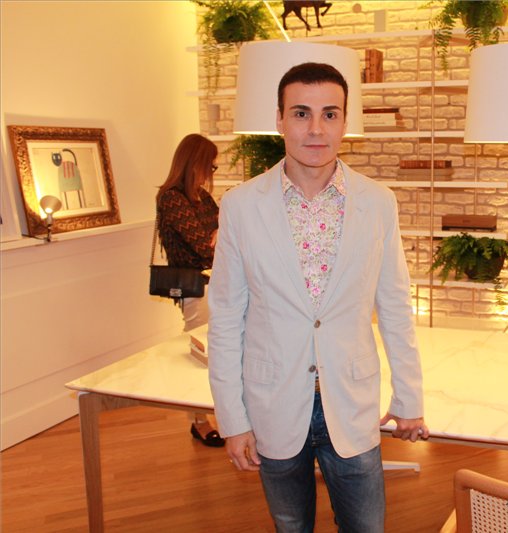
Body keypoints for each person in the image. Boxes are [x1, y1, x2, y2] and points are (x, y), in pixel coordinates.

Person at [208, 62, 428, 532]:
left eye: (330, 114)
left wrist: (409, 396)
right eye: (301, 113)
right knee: (291, 527)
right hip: (271, 403)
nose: (315, 129)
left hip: (352, 401)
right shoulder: (241, 206)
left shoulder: (378, 202)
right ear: (279, 119)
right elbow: (225, 318)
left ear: (345, 121)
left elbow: (394, 306)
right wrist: (232, 419)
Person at [157, 133, 224, 448]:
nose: (211, 172)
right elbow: (203, 245)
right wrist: (217, 235)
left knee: (219, 351)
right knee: (201, 354)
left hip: (215, 281)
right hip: (195, 285)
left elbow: (225, 230)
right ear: (195, 162)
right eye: (210, 165)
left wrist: (219, 234)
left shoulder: (202, 197)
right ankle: (199, 421)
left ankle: (216, 414)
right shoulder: (172, 198)